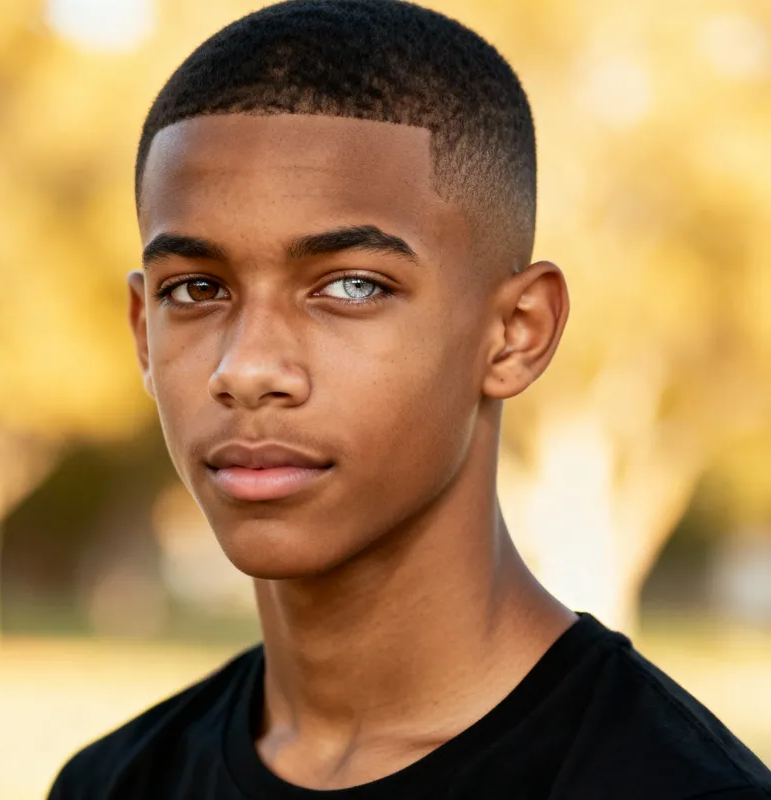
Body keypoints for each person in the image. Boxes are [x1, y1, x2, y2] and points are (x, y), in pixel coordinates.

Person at [47, 1, 771, 797]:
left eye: (352, 285)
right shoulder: (112, 783)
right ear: (143, 334)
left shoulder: (672, 786)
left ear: (516, 332)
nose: (247, 367)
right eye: (196, 288)